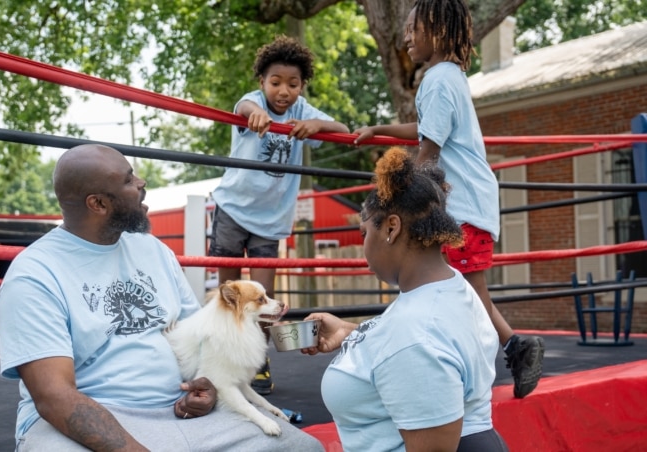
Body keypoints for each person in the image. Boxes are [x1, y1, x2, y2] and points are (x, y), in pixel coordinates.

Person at [0, 144, 324, 451]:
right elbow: (54, 397)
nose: (142, 182)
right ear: (98, 204)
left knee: (302, 447)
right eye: (128, 179)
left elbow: (198, 341)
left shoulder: (152, 249)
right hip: (84, 420)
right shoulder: (34, 274)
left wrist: (206, 386)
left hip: (180, 413)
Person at [353, 0, 544, 399]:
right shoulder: (446, 77)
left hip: (462, 209)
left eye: (412, 28)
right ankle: (511, 347)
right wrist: (380, 128)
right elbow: (425, 128)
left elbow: (429, 151)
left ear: (437, 32)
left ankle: (486, 360)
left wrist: (403, 202)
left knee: (456, 291)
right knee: (465, 290)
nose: (405, 36)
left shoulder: (439, 79)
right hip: (466, 205)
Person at [303, 147, 509, 451]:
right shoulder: (448, 285)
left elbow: (414, 343)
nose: (364, 248)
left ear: (391, 227)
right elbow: (416, 337)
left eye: (364, 233)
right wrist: (350, 332)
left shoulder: (415, 337)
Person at [209, 35, 350, 395]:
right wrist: (254, 113)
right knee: (228, 292)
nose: (283, 91)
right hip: (234, 210)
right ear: (262, 83)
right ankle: (221, 359)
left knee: (261, 298)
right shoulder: (253, 103)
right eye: (275, 83)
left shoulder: (303, 111)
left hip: (270, 222)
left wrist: (318, 126)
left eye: (292, 83)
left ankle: (257, 362)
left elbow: (344, 132)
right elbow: (242, 106)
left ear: (302, 86)